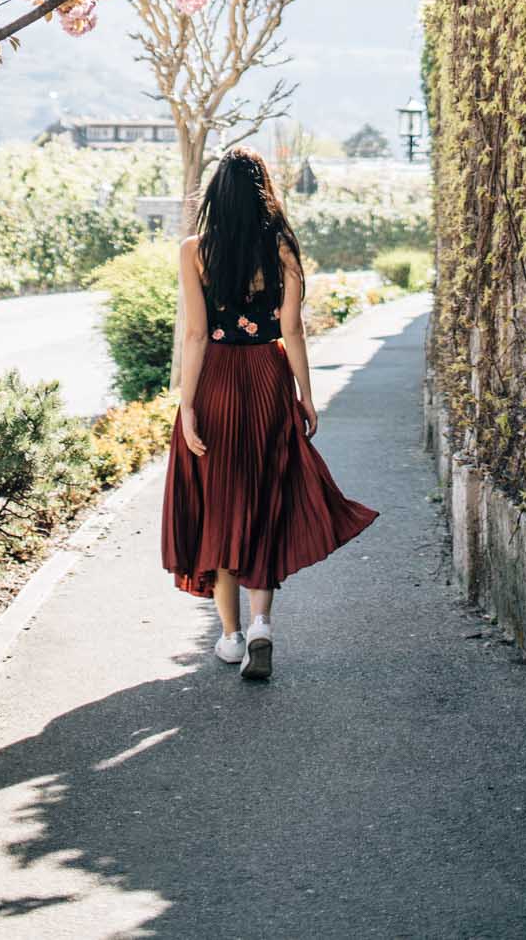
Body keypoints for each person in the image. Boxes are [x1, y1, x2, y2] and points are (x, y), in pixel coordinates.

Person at [160, 147, 378, 680]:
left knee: (219, 503)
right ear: (264, 192)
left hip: (214, 381)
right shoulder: (281, 248)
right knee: (263, 500)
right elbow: (294, 328)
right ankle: (261, 624)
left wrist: (187, 406)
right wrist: (306, 394)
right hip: (267, 378)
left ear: (216, 194)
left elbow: (193, 333)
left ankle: (230, 638)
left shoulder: (194, 251)